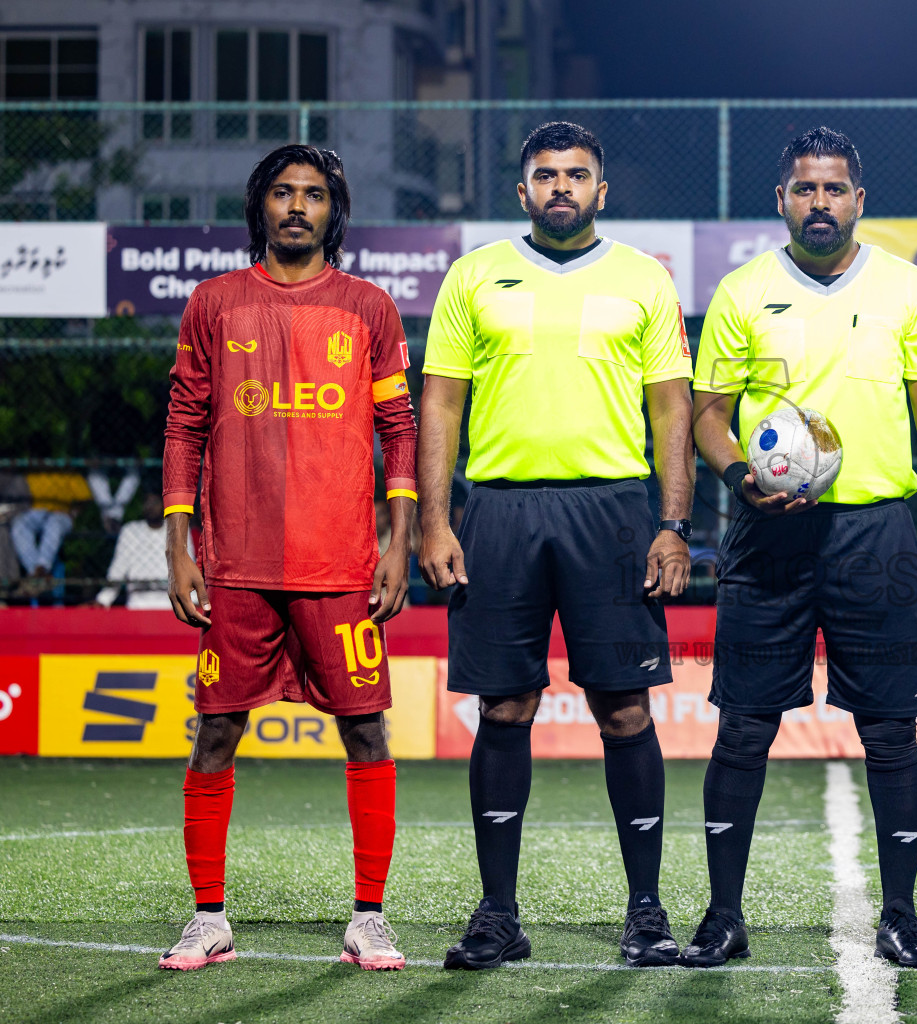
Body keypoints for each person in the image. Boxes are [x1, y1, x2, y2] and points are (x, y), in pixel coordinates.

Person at [418, 122, 695, 970]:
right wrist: (434, 521)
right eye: (546, 175)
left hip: (611, 511)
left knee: (624, 711)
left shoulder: (643, 279)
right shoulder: (474, 276)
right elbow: (439, 405)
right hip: (498, 512)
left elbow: (673, 410)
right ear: (524, 191)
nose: (562, 187)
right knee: (505, 709)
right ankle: (497, 913)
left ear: (602, 191)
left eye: (578, 175)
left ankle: (645, 910)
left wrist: (674, 523)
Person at [685, 127, 917, 970]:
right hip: (768, 531)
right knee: (743, 728)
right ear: (781, 200)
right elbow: (705, 413)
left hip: (875, 531)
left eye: (834, 190)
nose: (819, 203)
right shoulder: (742, 290)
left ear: (858, 200)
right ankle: (724, 916)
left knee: (889, 732)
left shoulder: (909, 288)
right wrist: (738, 477)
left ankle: (903, 916)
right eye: (804, 190)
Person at [160, 144, 417, 971]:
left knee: (367, 733)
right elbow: (184, 426)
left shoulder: (368, 308)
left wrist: (397, 540)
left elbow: (400, 431)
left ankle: (369, 916)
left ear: (334, 212)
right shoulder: (214, 303)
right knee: (215, 734)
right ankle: (208, 917)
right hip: (234, 564)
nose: (297, 206)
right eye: (282, 192)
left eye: (313, 194)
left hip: (339, 566)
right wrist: (179, 542)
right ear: (259, 206)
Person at [96, 488, 191, 609]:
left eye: (155, 502)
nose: (151, 507)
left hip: (170, 604)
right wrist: (103, 599)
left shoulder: (178, 529)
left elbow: (188, 567)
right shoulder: (130, 531)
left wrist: (192, 601)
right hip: (137, 603)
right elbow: (118, 569)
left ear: (164, 505)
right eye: (147, 502)